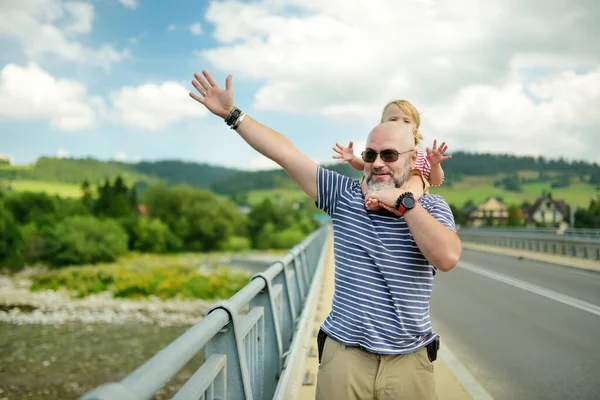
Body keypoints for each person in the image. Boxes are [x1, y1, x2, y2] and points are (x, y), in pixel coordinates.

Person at [189, 70, 461, 400]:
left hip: (409, 360)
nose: (377, 163)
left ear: (411, 157)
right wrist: (233, 115)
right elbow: (286, 154)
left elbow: (446, 257)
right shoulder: (343, 195)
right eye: (371, 154)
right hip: (344, 355)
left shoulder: (431, 207)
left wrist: (405, 205)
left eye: (389, 155)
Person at [332, 99, 451, 210]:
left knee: (417, 178)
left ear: (414, 133)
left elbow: (435, 181)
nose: (399, 123)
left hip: (408, 198)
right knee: (370, 174)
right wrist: (352, 159)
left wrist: (435, 165)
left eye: (406, 121)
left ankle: (404, 202)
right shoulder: (377, 154)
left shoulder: (420, 155)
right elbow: (363, 165)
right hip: (379, 187)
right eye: (393, 119)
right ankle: (373, 197)